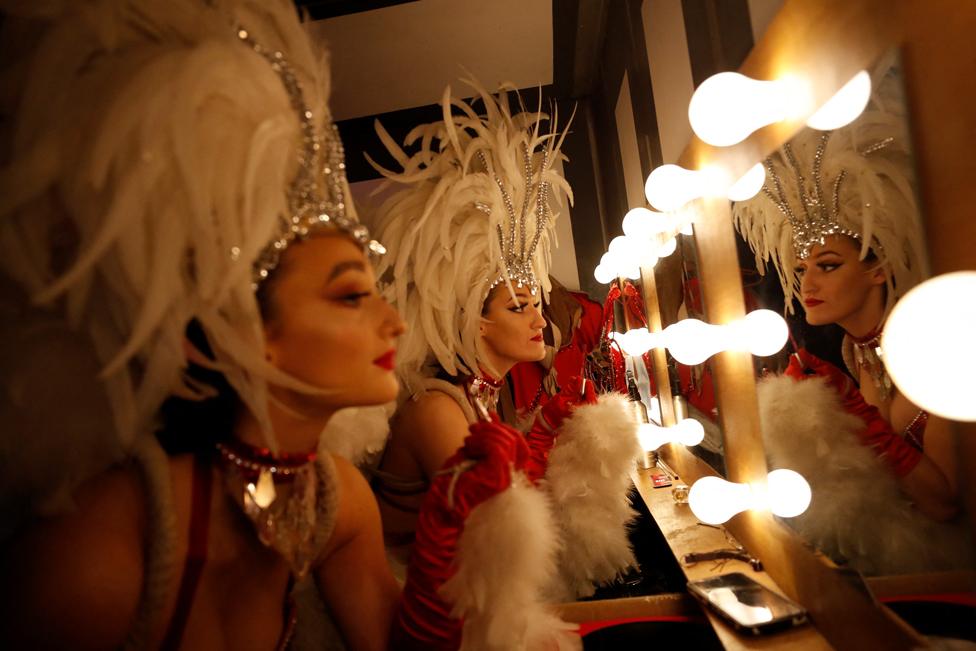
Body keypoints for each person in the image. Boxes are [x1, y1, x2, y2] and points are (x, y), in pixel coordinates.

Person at [0, 1, 404, 647]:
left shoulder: (338, 500)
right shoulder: (92, 560)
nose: (397, 323)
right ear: (244, 334)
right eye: (353, 295)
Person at [365, 80, 640, 603]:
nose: (540, 319)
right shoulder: (436, 410)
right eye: (519, 307)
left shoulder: (488, 394)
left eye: (537, 303)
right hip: (420, 606)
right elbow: (493, 534)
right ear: (477, 324)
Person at [732, 72, 971, 574]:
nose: (807, 284)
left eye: (829, 265)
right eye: (801, 270)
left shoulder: (937, 349)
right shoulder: (842, 357)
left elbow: (945, 504)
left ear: (877, 269)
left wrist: (858, 421)